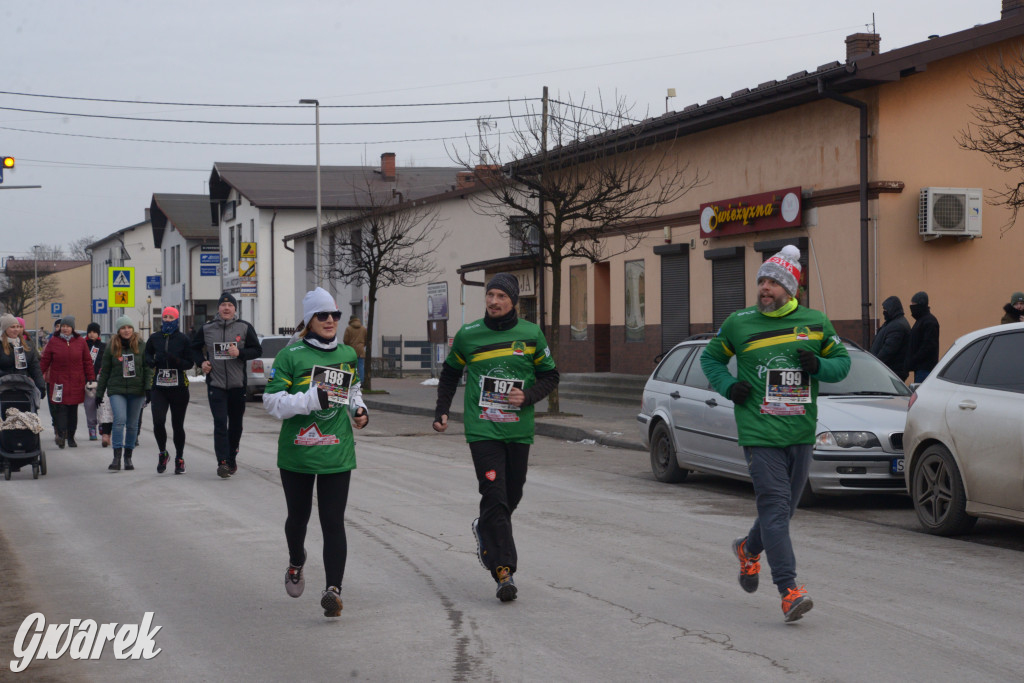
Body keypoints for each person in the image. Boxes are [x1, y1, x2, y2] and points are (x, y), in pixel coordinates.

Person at [700, 246, 850, 623]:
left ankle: (748, 551)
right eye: (762, 281)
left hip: (799, 430)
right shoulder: (739, 322)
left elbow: (842, 364)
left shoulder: (816, 322)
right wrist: (728, 385)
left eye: (772, 283)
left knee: (783, 512)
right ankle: (789, 591)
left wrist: (819, 365)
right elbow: (710, 359)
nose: (764, 288)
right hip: (758, 430)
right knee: (775, 509)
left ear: (791, 289)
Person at [432, 273, 559, 603]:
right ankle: (504, 570)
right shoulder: (469, 335)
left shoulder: (530, 335)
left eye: (502, 296)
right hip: (482, 430)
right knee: (494, 491)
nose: (494, 301)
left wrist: (527, 396)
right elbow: (449, 374)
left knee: (510, 493)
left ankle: (484, 527)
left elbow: (550, 375)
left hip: (518, 431)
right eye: (490, 295)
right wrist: (441, 411)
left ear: (514, 301)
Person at [263, 288, 368, 618]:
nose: (330, 321)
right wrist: (310, 399)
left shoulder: (347, 354)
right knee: (298, 519)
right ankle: (297, 560)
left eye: (334, 315)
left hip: (336, 451)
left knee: (333, 521)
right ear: (309, 320)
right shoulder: (290, 356)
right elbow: (272, 402)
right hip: (298, 452)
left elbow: (352, 389)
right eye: (322, 316)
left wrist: (359, 408)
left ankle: (333, 591)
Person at [191, 292, 262, 478]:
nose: (226, 308)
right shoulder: (207, 328)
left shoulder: (244, 327)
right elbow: (193, 348)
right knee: (220, 423)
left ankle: (231, 457)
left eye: (230, 305)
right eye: (223, 306)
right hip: (216, 384)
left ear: (235, 309)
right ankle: (222, 462)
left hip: (238, 385)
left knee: (236, 425)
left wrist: (240, 353)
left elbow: (257, 350)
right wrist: (202, 362)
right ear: (218, 309)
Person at [96, 316, 153, 472]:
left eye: (129, 327)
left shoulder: (142, 346)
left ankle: (128, 456)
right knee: (119, 420)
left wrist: (148, 388)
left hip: (137, 390)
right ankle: (116, 457)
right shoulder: (111, 347)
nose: (126, 330)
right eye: (123, 328)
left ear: (133, 329)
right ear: (118, 331)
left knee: (133, 424)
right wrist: (99, 393)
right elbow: (105, 371)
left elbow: (148, 369)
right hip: (117, 390)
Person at [145, 307, 194, 474]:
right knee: (158, 421)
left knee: (177, 425)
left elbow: (190, 363)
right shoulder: (154, 338)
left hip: (179, 387)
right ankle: (162, 453)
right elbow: (146, 357)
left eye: (170, 317)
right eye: (165, 317)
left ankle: (179, 458)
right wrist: (153, 361)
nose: (167, 319)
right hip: (159, 387)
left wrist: (175, 360)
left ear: (176, 319)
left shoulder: (183, 339)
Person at [40, 315, 95, 449]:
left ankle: (71, 436)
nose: (65, 329)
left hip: (76, 381)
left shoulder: (80, 342)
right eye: (63, 326)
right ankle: (61, 434)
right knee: (60, 409)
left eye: (68, 326)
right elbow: (45, 360)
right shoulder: (54, 341)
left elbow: (87, 361)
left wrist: (91, 378)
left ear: (72, 328)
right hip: (58, 382)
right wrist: (38, 375)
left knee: (72, 410)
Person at [0, 314, 46, 395]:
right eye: (12, 327)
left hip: (23, 388)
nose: (16, 329)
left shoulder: (26, 346)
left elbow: (35, 368)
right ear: (5, 329)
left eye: (18, 326)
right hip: (3, 388)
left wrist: (41, 386)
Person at [869, 296, 911, 381]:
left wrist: (875, 364)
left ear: (892, 309)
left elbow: (888, 350)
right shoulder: (893, 323)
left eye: (886, 309)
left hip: (891, 371)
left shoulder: (897, 326)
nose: (884, 312)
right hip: (889, 370)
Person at [906, 291, 940, 384]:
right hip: (920, 368)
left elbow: (928, 346)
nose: (911, 308)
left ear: (920, 305)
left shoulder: (929, 322)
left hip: (925, 369)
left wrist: (913, 359)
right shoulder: (921, 321)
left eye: (914, 305)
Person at [83, 323, 105, 441]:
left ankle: (102, 425)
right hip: (88, 382)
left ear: (98, 333)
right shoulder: (83, 345)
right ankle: (92, 428)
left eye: (94, 332)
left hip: (101, 381)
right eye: (90, 332)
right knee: (89, 405)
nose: (92, 334)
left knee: (102, 405)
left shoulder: (103, 346)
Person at [343, 315, 367, 381]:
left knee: (352, 366)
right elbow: (366, 339)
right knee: (361, 366)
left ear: (350, 320)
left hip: (351, 350)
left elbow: (345, 340)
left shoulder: (348, 328)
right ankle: (362, 381)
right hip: (361, 350)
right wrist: (362, 345)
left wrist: (348, 346)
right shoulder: (363, 328)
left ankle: (353, 381)